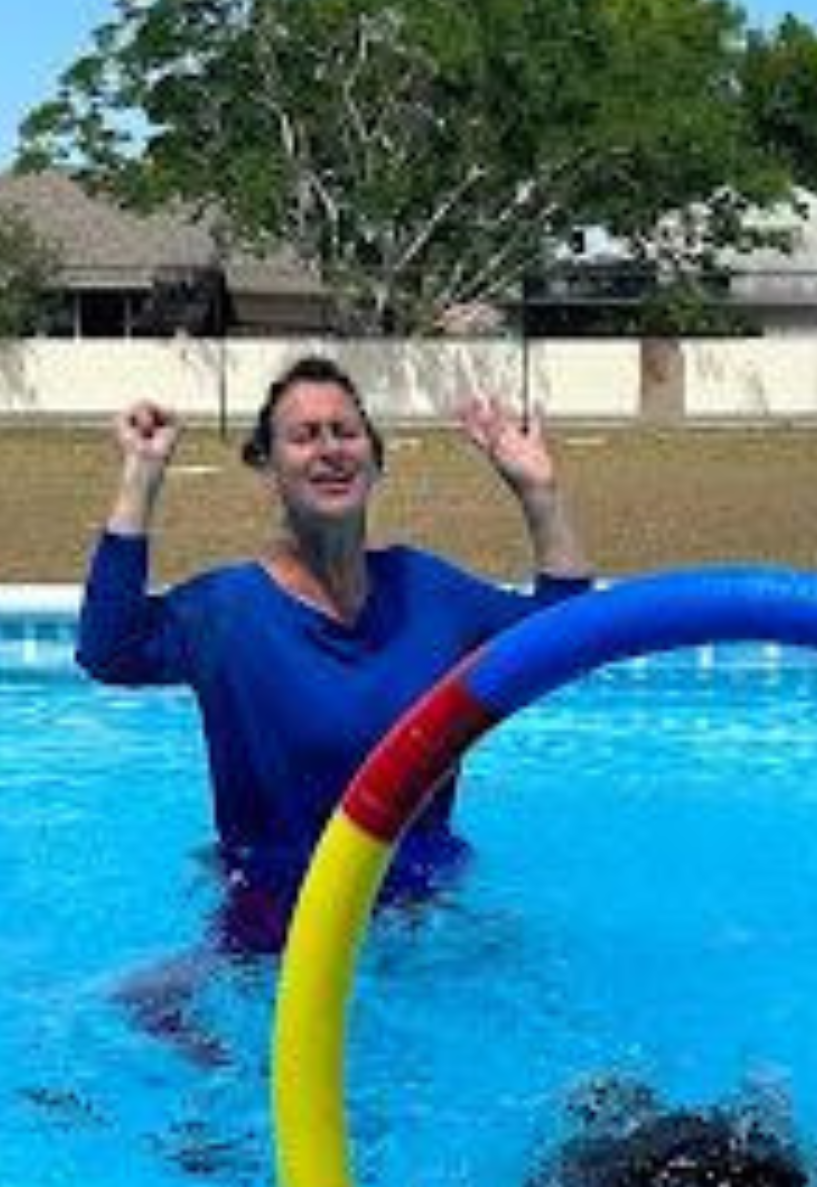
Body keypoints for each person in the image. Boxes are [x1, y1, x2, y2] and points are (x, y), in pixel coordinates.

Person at [74, 360, 596, 950]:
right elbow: (107, 651)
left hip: (422, 916)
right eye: (303, 436)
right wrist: (142, 475)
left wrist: (538, 492)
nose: (329, 449)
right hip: (278, 926)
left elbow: (564, 643)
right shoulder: (228, 611)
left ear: (375, 460)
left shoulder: (429, 593)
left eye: (345, 433)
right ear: (269, 466)